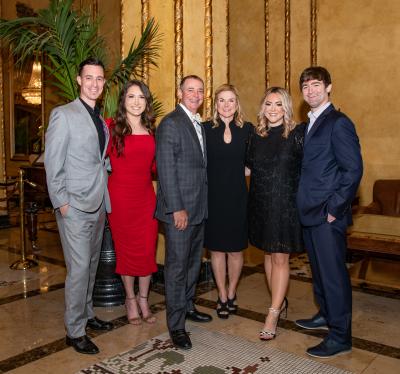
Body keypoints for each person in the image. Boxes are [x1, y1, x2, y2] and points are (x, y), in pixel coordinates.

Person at [44, 57, 113, 355]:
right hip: (73, 206)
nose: (94, 83)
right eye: (89, 78)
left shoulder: (99, 118)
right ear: (78, 79)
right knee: (79, 268)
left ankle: (86, 315)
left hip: (97, 203)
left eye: (99, 79)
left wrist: (105, 170)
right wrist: (62, 204)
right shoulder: (64, 114)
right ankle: (74, 331)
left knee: (92, 265)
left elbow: (98, 158)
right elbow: (53, 163)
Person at [295, 66, 363, 358]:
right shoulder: (310, 122)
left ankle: (340, 335)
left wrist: (335, 208)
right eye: (306, 86)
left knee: (334, 274)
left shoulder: (338, 122)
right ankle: (325, 314)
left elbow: (353, 170)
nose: (311, 90)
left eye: (316, 85)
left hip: (326, 213)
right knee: (320, 272)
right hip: (309, 211)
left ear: (329, 87)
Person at [155, 75, 212, 350]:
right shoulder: (170, 123)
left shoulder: (198, 123)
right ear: (180, 93)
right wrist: (176, 208)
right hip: (180, 210)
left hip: (199, 208)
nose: (196, 94)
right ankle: (176, 326)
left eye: (200, 91)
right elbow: (166, 170)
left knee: (192, 264)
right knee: (177, 268)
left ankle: (188, 306)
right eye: (190, 90)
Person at [246, 87, 304, 340]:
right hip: (260, 204)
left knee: (280, 258)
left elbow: (309, 168)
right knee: (268, 256)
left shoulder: (297, 134)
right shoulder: (256, 136)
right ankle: (278, 302)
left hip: (285, 206)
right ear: (263, 107)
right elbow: (247, 169)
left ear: (286, 108)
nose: (272, 109)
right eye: (268, 104)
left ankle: (272, 313)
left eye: (278, 104)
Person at [106, 80, 158, 326]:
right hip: (120, 199)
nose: (136, 102)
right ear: (123, 101)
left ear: (146, 102)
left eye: (141, 97)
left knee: (147, 249)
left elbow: (157, 167)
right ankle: (130, 299)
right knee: (126, 251)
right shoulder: (111, 128)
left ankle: (144, 298)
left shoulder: (152, 130)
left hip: (146, 199)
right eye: (131, 97)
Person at [203, 84, 252, 319]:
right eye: (221, 100)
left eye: (231, 100)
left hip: (238, 197)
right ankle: (221, 295)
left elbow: (255, 161)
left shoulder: (248, 129)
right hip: (212, 198)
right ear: (216, 104)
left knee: (235, 250)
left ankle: (232, 291)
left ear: (237, 103)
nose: (226, 104)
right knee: (216, 250)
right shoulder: (205, 129)